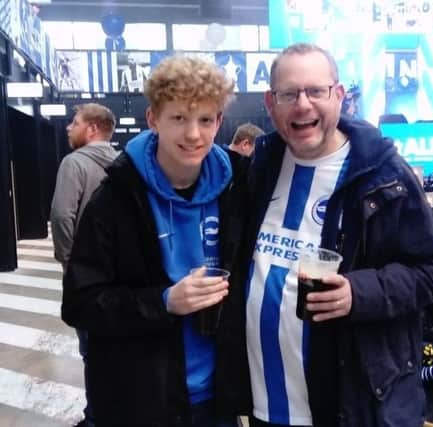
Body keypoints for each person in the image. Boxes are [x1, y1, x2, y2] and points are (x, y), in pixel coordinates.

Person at [216, 43, 433, 427]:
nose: (302, 105)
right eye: (289, 94)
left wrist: (359, 292)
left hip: (351, 405)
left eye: (316, 91)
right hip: (265, 404)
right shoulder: (260, 167)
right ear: (271, 102)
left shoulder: (384, 175)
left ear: (339, 96)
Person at [61, 56, 246, 426]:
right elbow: (80, 303)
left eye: (205, 120)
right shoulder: (115, 198)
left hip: (219, 401)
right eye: (179, 118)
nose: (193, 134)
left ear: (219, 123)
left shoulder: (239, 187)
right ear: (153, 119)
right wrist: (164, 301)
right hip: (143, 400)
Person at [50, 102, 118, 427]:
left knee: (91, 351)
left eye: (74, 122)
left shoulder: (74, 163)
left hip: (87, 280)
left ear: (91, 128)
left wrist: (69, 262)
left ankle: (95, 418)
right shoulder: (126, 163)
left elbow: (63, 215)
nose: (68, 127)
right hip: (123, 279)